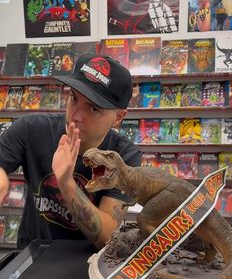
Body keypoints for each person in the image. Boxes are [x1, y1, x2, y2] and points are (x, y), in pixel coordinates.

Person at [0, 54, 141, 250]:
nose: (75, 116)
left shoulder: (125, 156)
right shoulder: (30, 129)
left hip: (89, 265)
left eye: (93, 109)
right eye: (74, 98)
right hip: (33, 256)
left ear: (118, 117)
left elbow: (108, 236)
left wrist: (67, 184)